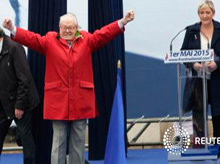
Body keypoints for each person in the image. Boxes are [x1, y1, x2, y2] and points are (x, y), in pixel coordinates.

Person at [3, 10, 134, 164]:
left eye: (71, 27)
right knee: (58, 141)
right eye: (64, 27)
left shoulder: (87, 40)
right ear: (59, 27)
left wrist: (122, 22)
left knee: (78, 142)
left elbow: (104, 34)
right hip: (58, 102)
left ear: (77, 27)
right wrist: (13, 29)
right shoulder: (50, 41)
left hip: (81, 100)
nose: (67, 30)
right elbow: (32, 39)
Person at [181, 0, 220, 156]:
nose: (205, 15)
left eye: (207, 12)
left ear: (213, 13)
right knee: (198, 114)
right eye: (202, 13)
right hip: (198, 79)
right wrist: (194, 64)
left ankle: (219, 148)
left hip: (217, 78)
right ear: (199, 14)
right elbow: (184, 53)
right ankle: (199, 148)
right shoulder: (191, 31)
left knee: (219, 115)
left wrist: (218, 63)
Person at [0, 27, 39, 164]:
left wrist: (19, 105)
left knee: (25, 138)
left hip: (22, 101)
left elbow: (24, 79)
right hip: (3, 101)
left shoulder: (15, 47)